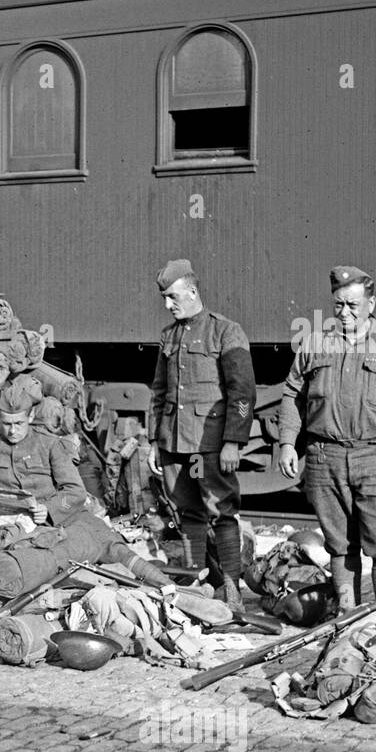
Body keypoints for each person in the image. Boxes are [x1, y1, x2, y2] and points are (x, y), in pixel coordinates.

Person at [278, 266, 376, 611]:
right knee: (340, 544)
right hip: (324, 457)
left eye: (353, 305)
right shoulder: (314, 343)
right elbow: (292, 395)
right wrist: (288, 442)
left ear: (371, 304)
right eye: (338, 305)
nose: (344, 313)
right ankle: (348, 617)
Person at [147, 258, 256, 614]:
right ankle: (197, 582)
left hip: (206, 449)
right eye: (164, 297)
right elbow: (159, 391)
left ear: (192, 291)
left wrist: (233, 441)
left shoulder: (225, 331)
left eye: (172, 296)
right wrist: (153, 440)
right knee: (190, 512)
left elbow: (242, 394)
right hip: (178, 449)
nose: (168, 304)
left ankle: (232, 587)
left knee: (221, 512)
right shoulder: (169, 336)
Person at [0, 391, 88, 526]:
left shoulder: (50, 444)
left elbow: (76, 491)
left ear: (30, 416)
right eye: (6, 424)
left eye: (19, 423)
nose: (13, 431)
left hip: (46, 522)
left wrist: (49, 509)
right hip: (3, 521)